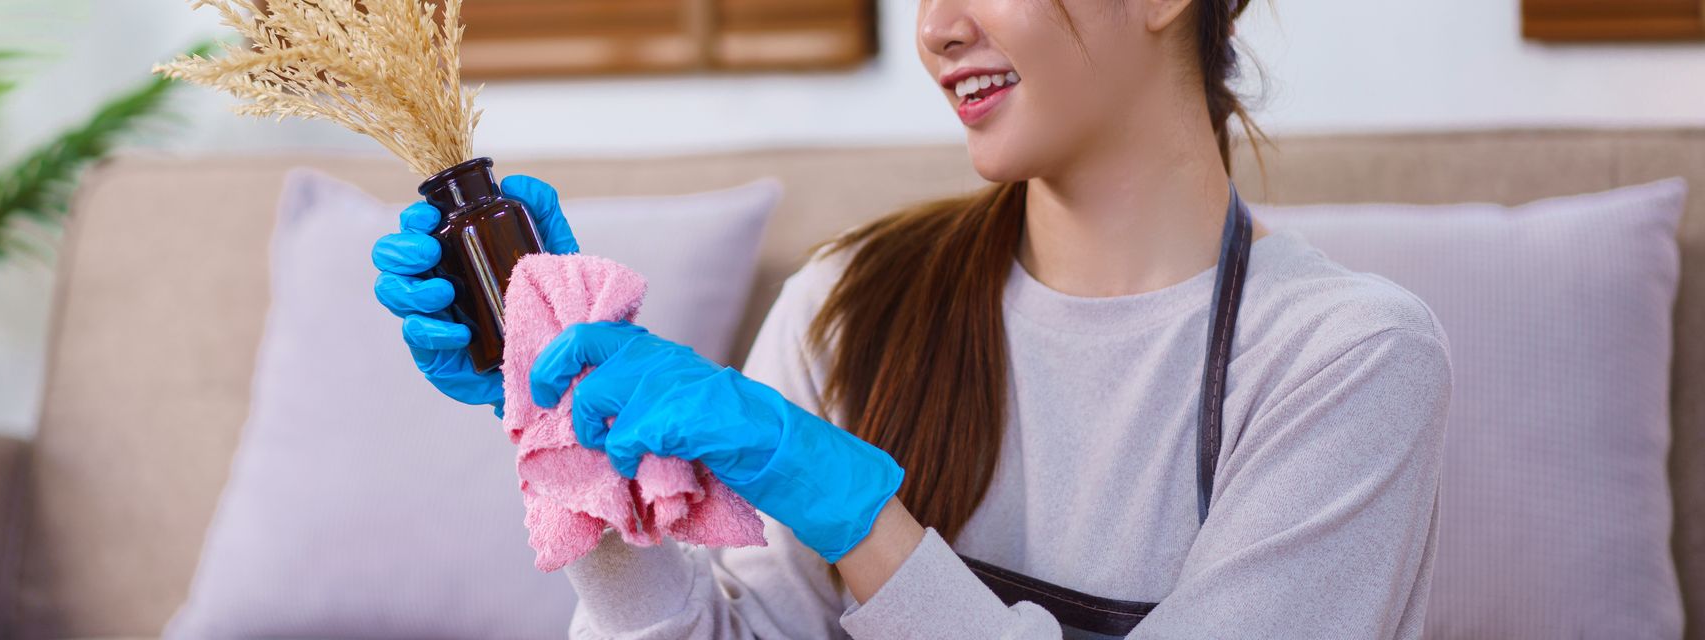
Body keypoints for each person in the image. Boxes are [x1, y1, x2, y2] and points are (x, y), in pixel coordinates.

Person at [371, 0, 1453, 637]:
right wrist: (568, 434)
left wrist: (861, 518)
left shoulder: (1348, 362)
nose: (935, 28)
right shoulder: (854, 303)